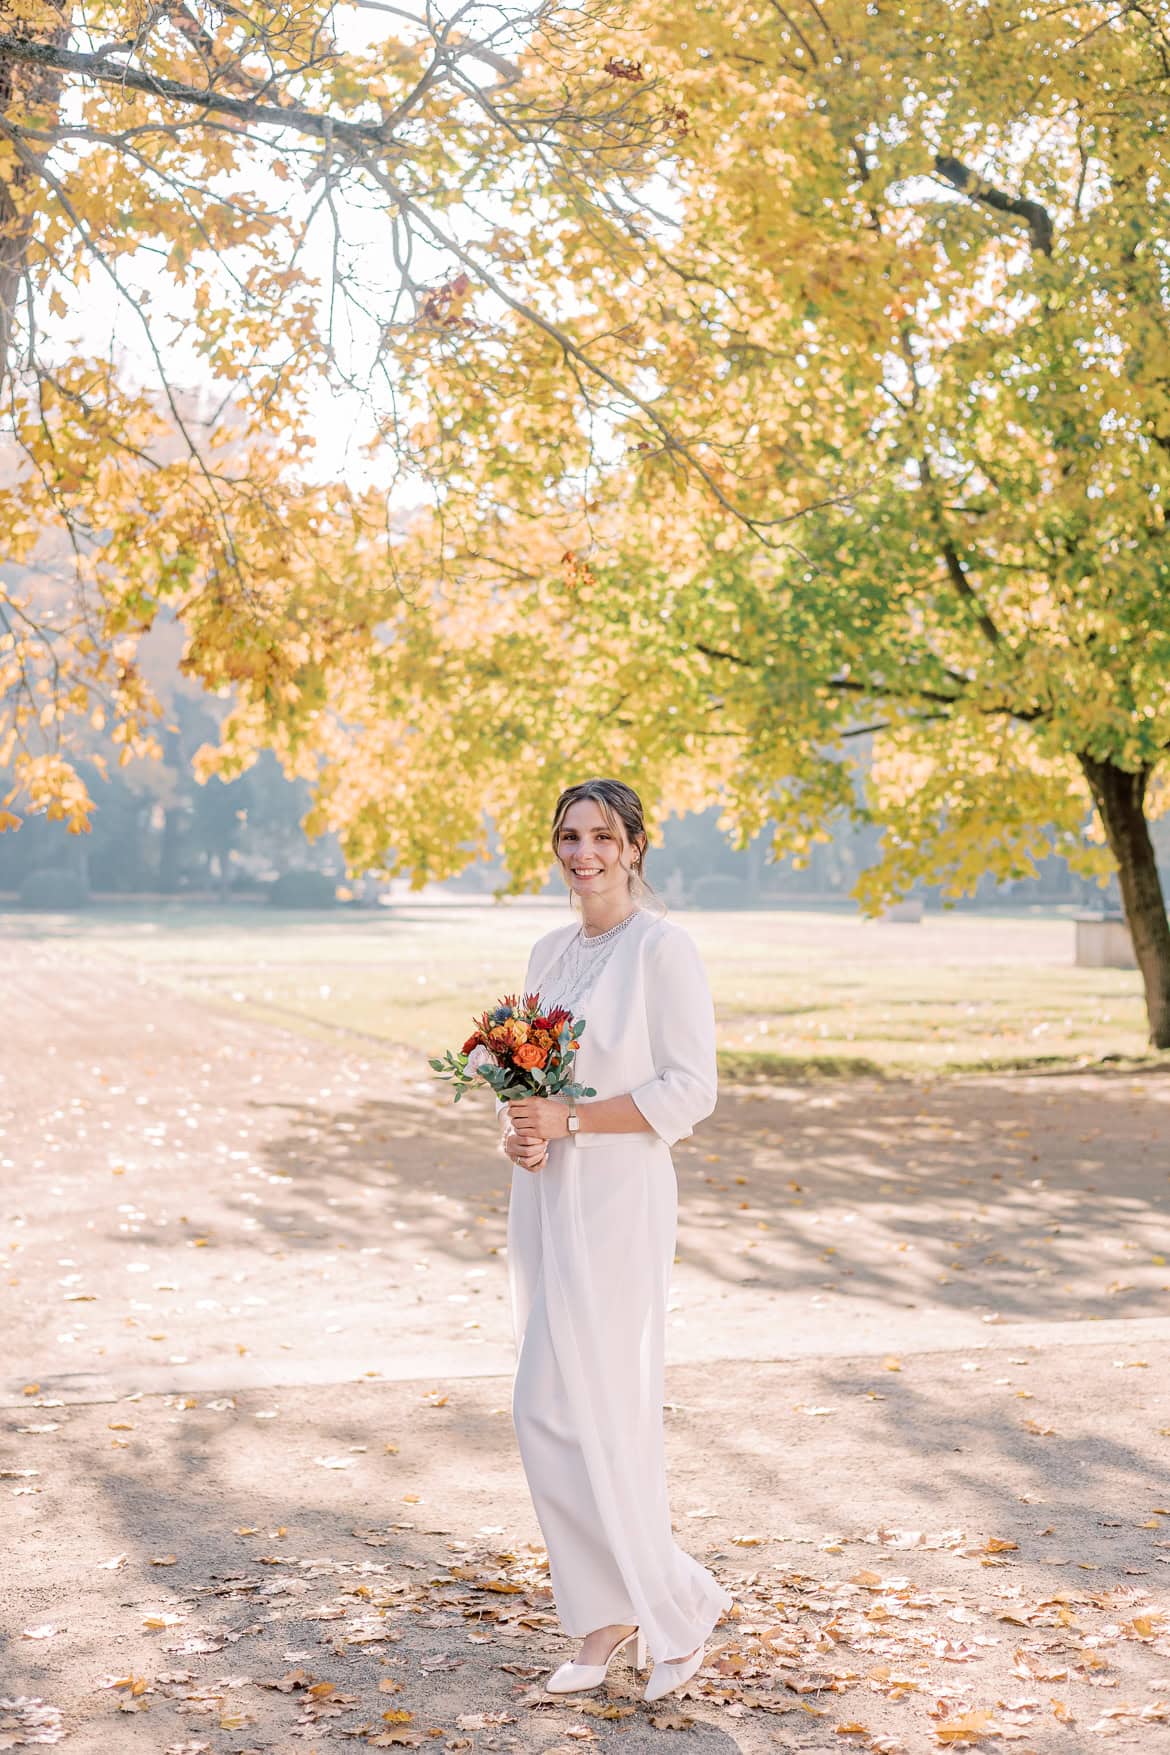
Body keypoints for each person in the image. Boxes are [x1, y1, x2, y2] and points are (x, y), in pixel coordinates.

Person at [497, 777, 733, 1704]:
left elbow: (690, 1088)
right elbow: (531, 1081)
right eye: (569, 835)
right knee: (547, 1407)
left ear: (636, 845)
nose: (584, 852)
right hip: (548, 1195)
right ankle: (625, 1606)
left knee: (592, 1406)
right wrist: (522, 1131)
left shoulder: (663, 950)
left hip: (622, 1195)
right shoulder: (549, 950)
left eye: (603, 835)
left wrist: (574, 1123)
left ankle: (658, 1613)